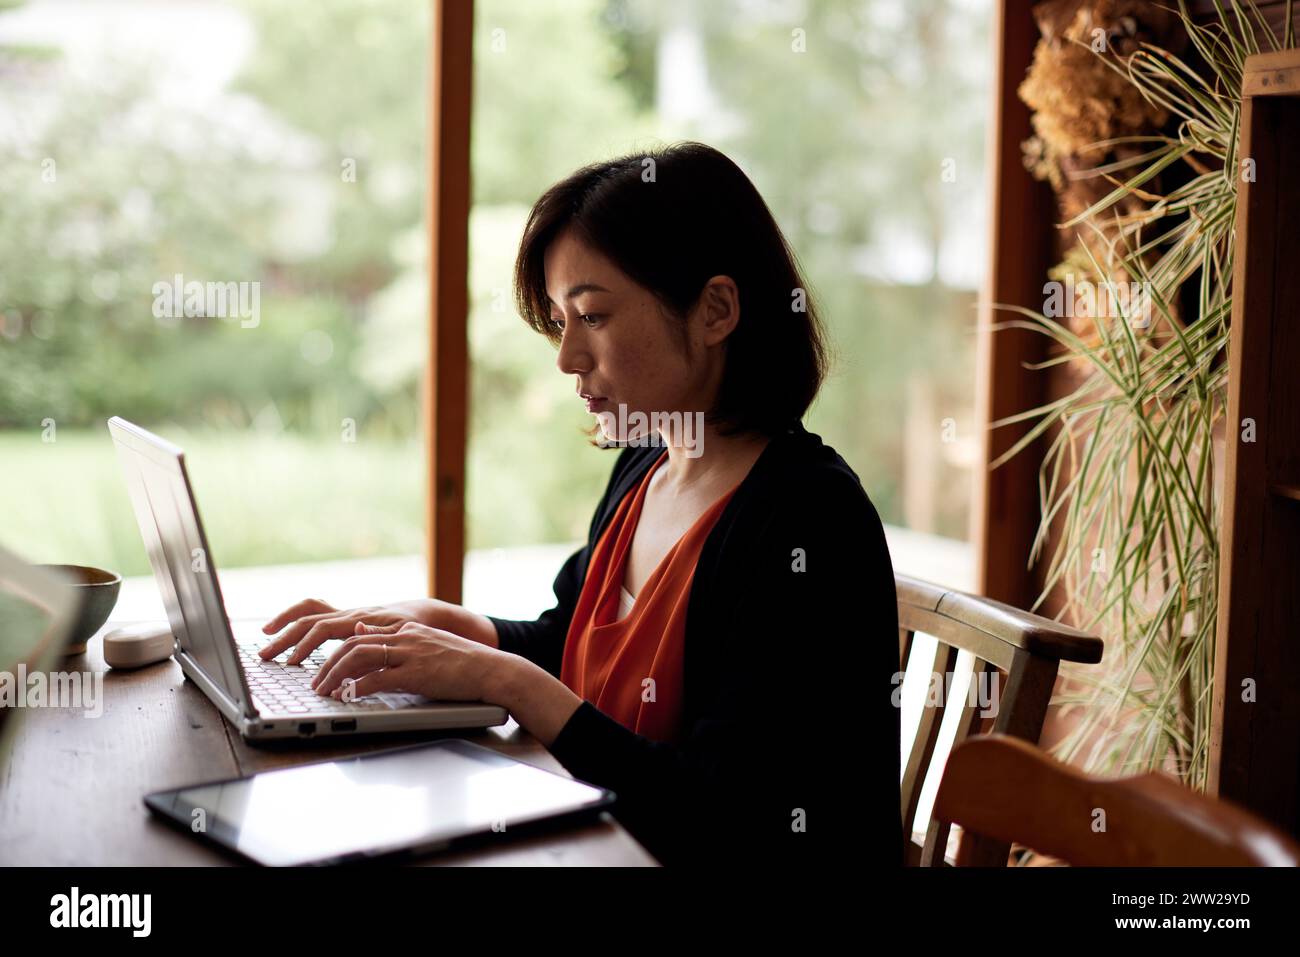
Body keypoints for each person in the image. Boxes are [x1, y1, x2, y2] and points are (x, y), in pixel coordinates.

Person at [259, 142, 899, 866]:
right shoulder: (648, 462)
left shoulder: (807, 518)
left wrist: (499, 678)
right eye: (561, 320)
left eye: (592, 315)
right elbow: (574, 644)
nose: (566, 356)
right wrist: (454, 628)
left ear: (716, 309)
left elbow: (727, 818)